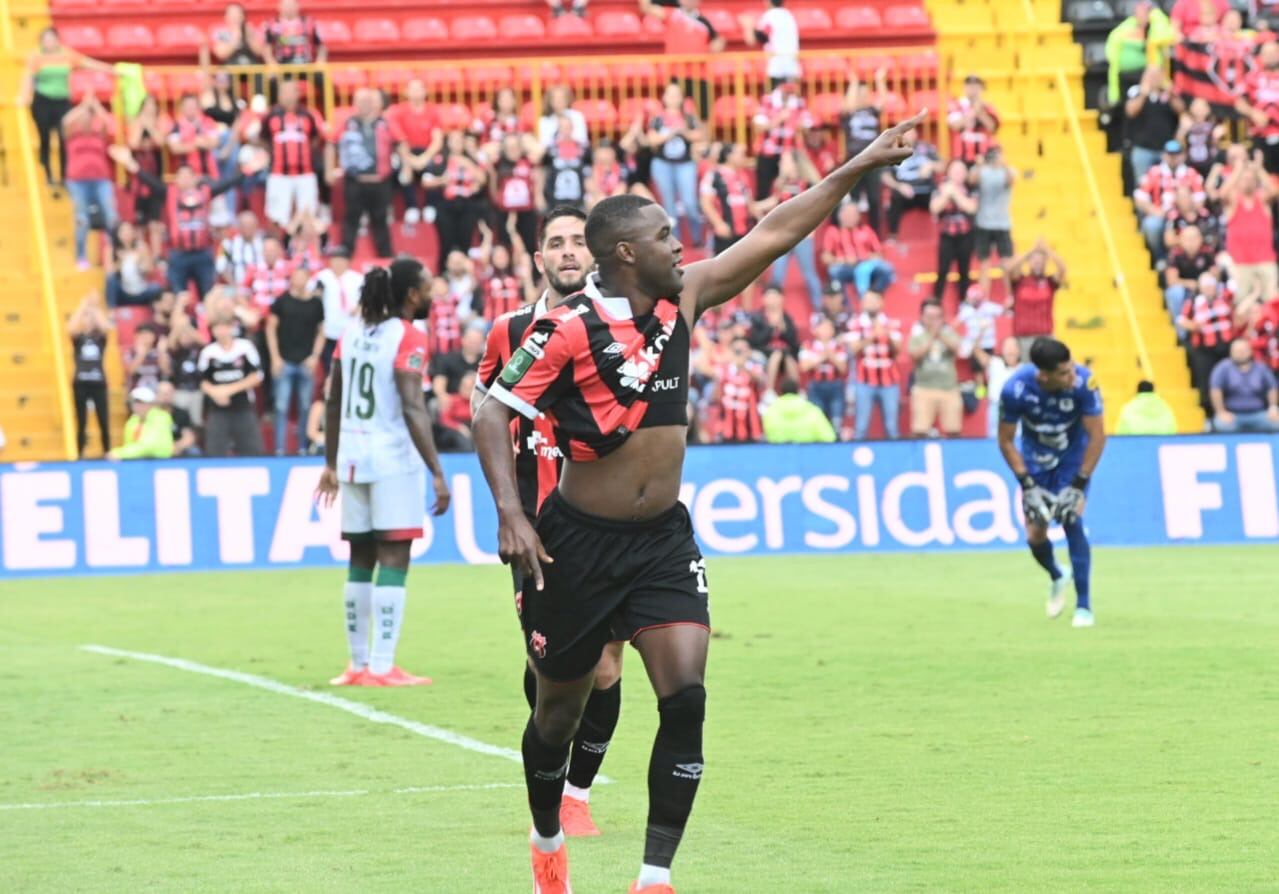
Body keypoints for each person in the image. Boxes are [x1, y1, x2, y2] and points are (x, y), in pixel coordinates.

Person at [472, 112, 923, 893]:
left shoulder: (687, 299)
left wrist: (861, 163)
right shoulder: (567, 330)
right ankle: (548, 836)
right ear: (625, 253)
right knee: (555, 718)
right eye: (663, 235)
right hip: (575, 544)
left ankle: (654, 876)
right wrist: (512, 515)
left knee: (685, 698)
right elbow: (490, 411)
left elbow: (777, 230)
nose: (680, 244)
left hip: (661, 544)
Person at [473, 206, 624, 838]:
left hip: (609, 527)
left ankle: (577, 796)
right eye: (555, 244)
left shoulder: (618, 325)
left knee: (609, 666)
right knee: (551, 673)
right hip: (540, 530)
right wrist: (509, 510)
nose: (567, 252)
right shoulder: (509, 330)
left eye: (576, 243)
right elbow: (484, 408)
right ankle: (552, 772)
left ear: (593, 255)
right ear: (539, 259)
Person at [315, 258, 452, 688]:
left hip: (353, 458)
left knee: (360, 559)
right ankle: (381, 665)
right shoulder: (408, 335)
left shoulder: (349, 334)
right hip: (392, 459)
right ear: (411, 294)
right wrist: (436, 470)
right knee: (394, 557)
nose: (432, 293)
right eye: (427, 286)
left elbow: (333, 400)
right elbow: (413, 405)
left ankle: (356, 666)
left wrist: (330, 463)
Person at [998, 337, 1106, 628]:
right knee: (1035, 536)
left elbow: (1097, 435)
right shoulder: (1015, 390)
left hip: (1073, 459)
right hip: (1036, 463)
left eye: (1071, 369)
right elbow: (1006, 441)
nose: (1072, 377)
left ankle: (1084, 606)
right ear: (1043, 375)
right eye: (1063, 374)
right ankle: (1058, 575)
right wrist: (1026, 483)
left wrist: (1080, 483)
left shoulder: (1086, 382)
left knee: (1071, 518)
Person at [113, 146, 262, 300]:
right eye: (181, 176)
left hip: (202, 253)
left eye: (188, 176)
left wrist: (248, 170)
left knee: (208, 296)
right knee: (179, 296)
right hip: (179, 254)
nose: (184, 179)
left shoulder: (205, 193)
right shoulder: (170, 193)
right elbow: (149, 181)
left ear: (194, 178)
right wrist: (130, 163)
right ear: (176, 179)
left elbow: (227, 184)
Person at [17, 27, 112, 187]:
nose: (49, 42)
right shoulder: (36, 57)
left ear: (57, 40)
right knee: (45, 138)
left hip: (62, 102)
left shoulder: (66, 54)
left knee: (63, 138)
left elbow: (88, 63)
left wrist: (112, 70)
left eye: (51, 39)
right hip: (43, 102)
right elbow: (28, 78)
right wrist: (23, 96)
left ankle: (63, 177)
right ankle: (48, 174)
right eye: (45, 39)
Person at [328, 88, 401, 258]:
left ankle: (385, 255)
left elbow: (400, 142)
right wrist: (330, 169)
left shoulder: (385, 123)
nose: (364, 105)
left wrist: (406, 165)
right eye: (361, 101)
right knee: (352, 217)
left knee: (381, 219)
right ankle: (346, 253)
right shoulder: (348, 123)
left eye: (368, 101)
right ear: (355, 104)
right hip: (355, 179)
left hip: (380, 180)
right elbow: (331, 143)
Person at [267, 267, 326, 455]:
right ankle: (280, 449)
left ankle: (303, 448)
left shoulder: (316, 304)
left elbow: (322, 331)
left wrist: (315, 356)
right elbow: (270, 328)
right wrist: (275, 357)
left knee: (305, 406)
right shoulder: (282, 301)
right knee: (281, 406)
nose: (298, 281)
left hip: (305, 361)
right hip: (285, 360)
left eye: (302, 277)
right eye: (295, 277)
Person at [260, 79, 326, 231]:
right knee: (276, 216)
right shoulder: (270, 115)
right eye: (284, 92)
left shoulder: (308, 114)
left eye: (291, 91)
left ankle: (306, 252)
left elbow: (316, 138)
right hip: (278, 173)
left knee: (308, 215)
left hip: (305, 172)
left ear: (298, 94)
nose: (287, 95)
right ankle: (278, 250)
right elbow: (262, 138)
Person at [62, 92, 118, 269]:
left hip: (100, 180)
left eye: (89, 117)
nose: (86, 119)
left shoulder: (98, 135)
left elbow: (109, 123)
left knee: (111, 215)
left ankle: (116, 252)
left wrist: (95, 106)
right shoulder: (73, 135)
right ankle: (81, 256)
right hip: (78, 182)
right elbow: (65, 121)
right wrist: (83, 106)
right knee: (82, 218)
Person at [199, 315, 266, 457]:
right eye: (217, 328)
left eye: (224, 327)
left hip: (243, 405)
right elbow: (203, 382)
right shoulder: (208, 352)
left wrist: (229, 390)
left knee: (251, 449)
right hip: (217, 408)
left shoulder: (245, 347)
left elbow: (257, 376)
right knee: (215, 450)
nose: (221, 331)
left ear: (231, 329)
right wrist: (215, 393)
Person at [647, 82, 705, 245]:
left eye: (676, 95)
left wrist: (684, 131)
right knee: (668, 204)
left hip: (685, 163)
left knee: (690, 202)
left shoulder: (688, 117)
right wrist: (670, 133)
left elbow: (699, 135)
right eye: (670, 94)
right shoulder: (658, 119)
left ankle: (697, 237)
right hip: (663, 164)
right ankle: (674, 240)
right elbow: (652, 140)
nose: (673, 98)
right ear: (664, 98)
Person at [839, 67, 889, 234]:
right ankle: (850, 235)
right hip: (854, 159)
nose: (863, 96)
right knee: (852, 199)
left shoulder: (872, 111)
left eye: (866, 93)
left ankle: (874, 235)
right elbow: (847, 105)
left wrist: (879, 80)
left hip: (873, 160)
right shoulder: (848, 114)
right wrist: (853, 83)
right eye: (860, 93)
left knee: (875, 199)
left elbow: (883, 100)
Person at [388, 79, 444, 225]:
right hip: (406, 153)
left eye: (420, 89)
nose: (416, 92)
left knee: (436, 164)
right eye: (413, 89)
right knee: (401, 167)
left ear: (425, 92)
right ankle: (411, 206)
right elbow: (400, 140)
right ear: (406, 92)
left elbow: (437, 140)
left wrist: (424, 158)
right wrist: (410, 159)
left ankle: (430, 205)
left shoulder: (432, 111)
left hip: (427, 152)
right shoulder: (399, 111)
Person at [1134, 138, 1202, 257]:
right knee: (1152, 225)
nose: (1173, 158)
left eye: (1176, 154)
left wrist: (1188, 212)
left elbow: (1200, 199)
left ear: (1183, 155)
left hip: (1184, 216)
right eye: (1170, 154)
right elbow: (1140, 197)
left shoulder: (1191, 173)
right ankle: (1160, 258)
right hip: (1163, 215)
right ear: (1164, 155)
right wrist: (1154, 210)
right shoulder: (1154, 172)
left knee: (1195, 228)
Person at [848, 290, 901, 440]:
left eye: (874, 300)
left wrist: (887, 335)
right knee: (861, 426)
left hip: (889, 380)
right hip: (864, 380)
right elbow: (853, 349)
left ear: (881, 303)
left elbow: (898, 350)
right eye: (867, 301)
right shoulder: (855, 324)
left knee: (892, 427)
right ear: (862, 304)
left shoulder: (890, 323)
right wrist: (872, 336)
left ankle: (895, 460)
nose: (870, 304)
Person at [908, 299, 963, 438]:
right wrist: (932, 336)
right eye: (929, 317)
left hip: (949, 388)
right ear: (922, 317)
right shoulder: (917, 336)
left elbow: (957, 349)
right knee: (920, 431)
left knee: (954, 431)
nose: (933, 321)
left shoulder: (949, 333)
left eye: (937, 317)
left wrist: (940, 335)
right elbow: (914, 355)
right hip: (924, 388)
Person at [751, 77, 813, 200]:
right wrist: (779, 118)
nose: (790, 92)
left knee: (797, 188)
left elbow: (807, 126)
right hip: (768, 153)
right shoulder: (767, 101)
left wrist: (800, 125)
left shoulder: (799, 103)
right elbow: (758, 127)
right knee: (764, 190)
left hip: (791, 153)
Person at [1104, 2, 1174, 108]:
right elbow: (1113, 42)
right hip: (1126, 76)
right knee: (1128, 106)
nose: (1140, 15)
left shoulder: (1157, 24)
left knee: (1150, 105)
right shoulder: (1128, 26)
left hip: (1150, 75)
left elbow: (1167, 36)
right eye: (1138, 12)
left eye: (1144, 12)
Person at [821, 202, 893, 304]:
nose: (851, 218)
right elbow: (825, 257)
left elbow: (879, 253)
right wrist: (843, 260)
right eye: (848, 214)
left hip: (866, 265)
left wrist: (864, 258)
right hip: (846, 267)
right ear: (840, 216)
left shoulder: (866, 230)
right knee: (834, 271)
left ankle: (871, 298)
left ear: (858, 217)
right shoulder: (832, 231)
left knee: (886, 269)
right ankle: (846, 308)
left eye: (853, 215)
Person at [68, 294, 111, 457]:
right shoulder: (79, 339)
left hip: (99, 382)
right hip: (81, 383)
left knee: (103, 419)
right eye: (86, 317)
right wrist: (83, 305)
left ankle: (107, 451)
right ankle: (80, 453)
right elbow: (71, 328)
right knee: (81, 420)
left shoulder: (100, 338)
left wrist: (94, 308)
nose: (89, 320)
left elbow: (106, 327)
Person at [969, 144, 1016, 294]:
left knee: (1007, 263)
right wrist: (978, 165)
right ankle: (984, 299)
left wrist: (1004, 165)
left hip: (1003, 224)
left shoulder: (1008, 170)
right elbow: (972, 181)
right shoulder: (982, 170)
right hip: (984, 223)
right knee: (984, 264)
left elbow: (1011, 181)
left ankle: (1010, 296)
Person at [929, 160, 978, 306]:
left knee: (965, 271)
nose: (958, 174)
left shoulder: (970, 189)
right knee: (942, 270)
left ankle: (964, 303)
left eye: (962, 171)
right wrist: (947, 194)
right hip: (947, 234)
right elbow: (934, 208)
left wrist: (954, 193)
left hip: (966, 234)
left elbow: (971, 208)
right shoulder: (940, 188)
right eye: (955, 170)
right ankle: (936, 302)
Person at [1007, 239, 1066, 357]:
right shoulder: (1020, 281)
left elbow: (1062, 269)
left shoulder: (1049, 282)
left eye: (1040, 261)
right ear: (1029, 262)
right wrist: (1030, 251)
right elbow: (1010, 269)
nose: (1037, 263)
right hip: (1023, 338)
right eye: (1034, 260)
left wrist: (1047, 251)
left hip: (1045, 336)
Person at [1125, 66, 1181, 185]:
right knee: (1143, 185)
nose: (1154, 79)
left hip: (1166, 150)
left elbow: (1181, 110)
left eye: (1157, 75)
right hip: (1143, 148)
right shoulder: (1137, 91)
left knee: (1168, 185)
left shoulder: (1168, 95)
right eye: (1151, 75)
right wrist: (1144, 94)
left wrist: (1171, 94)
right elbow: (1131, 111)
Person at [1209, 337, 1279, 432]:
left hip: (1259, 413)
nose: (1241, 353)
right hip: (1233, 415)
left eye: (1243, 350)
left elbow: (1272, 388)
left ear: (1250, 351)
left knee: (1276, 423)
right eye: (1237, 350)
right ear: (1231, 352)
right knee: (1221, 424)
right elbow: (1215, 390)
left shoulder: (1261, 367)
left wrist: (1273, 407)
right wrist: (1221, 411)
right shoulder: (1222, 368)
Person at [312, 245, 364, 370]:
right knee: (330, 367)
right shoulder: (322, 277)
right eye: (335, 259)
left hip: (351, 330)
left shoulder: (358, 279)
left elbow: (367, 299)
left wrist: (359, 308)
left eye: (341, 260)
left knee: (349, 367)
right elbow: (311, 297)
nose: (338, 263)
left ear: (348, 262)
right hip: (328, 330)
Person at [883, 127, 939, 240]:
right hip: (905, 192)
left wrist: (931, 165)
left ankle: (940, 232)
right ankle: (893, 235)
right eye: (906, 132)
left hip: (926, 191)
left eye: (912, 131)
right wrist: (899, 186)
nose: (910, 135)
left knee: (940, 197)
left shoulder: (926, 148)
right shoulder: (893, 151)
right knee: (894, 199)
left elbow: (943, 166)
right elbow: (885, 176)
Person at [1235, 40, 1279, 174]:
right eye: (1265, 53)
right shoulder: (1252, 76)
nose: (1269, 56)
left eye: (1272, 53)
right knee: (1260, 174)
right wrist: (1253, 113)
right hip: (1259, 135)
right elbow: (1239, 102)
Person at [797, 316, 847, 427]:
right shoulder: (808, 345)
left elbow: (843, 368)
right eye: (823, 327)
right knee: (817, 420)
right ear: (815, 330)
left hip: (835, 386)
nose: (826, 330)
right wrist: (822, 357)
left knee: (836, 421)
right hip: (816, 386)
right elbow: (804, 366)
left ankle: (837, 440)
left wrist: (831, 355)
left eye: (828, 327)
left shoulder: (839, 346)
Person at [740, 0, 800, 88]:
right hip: (792, 66)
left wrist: (748, 26)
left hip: (777, 67)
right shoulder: (789, 16)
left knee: (775, 99)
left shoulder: (769, 16)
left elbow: (752, 40)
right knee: (791, 99)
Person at [761, 376, 836, 443]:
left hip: (778, 455)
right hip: (808, 455)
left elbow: (768, 437)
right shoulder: (813, 410)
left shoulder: (771, 411)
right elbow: (829, 437)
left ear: (780, 392)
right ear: (798, 391)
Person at [108, 386, 175, 460]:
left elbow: (148, 446)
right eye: (135, 402)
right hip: (138, 462)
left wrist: (119, 453)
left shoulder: (161, 418)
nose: (138, 406)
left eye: (142, 403)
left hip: (161, 463)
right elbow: (129, 445)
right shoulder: (132, 421)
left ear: (151, 404)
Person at [946, 75, 1000, 166]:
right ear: (964, 88)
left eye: (976, 87)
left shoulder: (988, 107)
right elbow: (955, 125)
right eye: (970, 86)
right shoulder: (956, 105)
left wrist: (980, 112)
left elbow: (992, 127)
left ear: (981, 89)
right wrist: (974, 110)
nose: (973, 90)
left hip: (985, 156)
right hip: (961, 158)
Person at [984, 336, 1021, 438]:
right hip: (996, 407)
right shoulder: (995, 363)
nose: (1010, 350)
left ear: (1019, 351)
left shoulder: (1024, 370)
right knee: (993, 439)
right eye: (1007, 346)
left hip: (1018, 410)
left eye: (1013, 347)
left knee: (1017, 439)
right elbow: (975, 351)